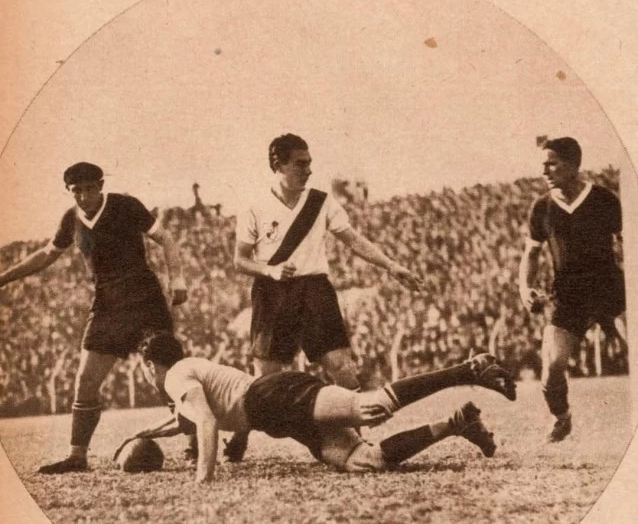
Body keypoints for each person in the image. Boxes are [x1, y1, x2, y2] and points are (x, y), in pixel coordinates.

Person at [228, 133, 423, 460]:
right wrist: (270, 270)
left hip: (314, 290)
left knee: (341, 366)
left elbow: (353, 240)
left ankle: (357, 441)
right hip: (271, 293)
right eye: (300, 164)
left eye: (309, 163)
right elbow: (240, 260)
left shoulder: (320, 201)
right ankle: (240, 436)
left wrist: (391, 266)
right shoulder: (254, 206)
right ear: (279, 165)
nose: (308, 170)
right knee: (266, 379)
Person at [123, 332, 516, 483]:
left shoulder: (175, 377)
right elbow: (184, 420)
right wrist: (142, 434)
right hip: (274, 413)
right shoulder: (186, 371)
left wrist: (203, 479)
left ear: (150, 364)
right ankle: (457, 423)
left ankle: (469, 369)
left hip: (273, 397)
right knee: (366, 461)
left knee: (370, 408)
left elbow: (206, 422)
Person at [0, 162, 189, 473]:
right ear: (69, 191)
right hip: (106, 304)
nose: (84, 196)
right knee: (85, 380)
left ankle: (195, 441)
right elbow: (47, 254)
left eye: (90, 188)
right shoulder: (71, 219)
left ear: (101, 186)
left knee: (164, 376)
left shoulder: (125, 205)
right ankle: (77, 456)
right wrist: (5, 277)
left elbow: (165, 237)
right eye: (77, 191)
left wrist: (177, 279)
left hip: (144, 298)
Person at [518, 137, 626, 442]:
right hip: (568, 294)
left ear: (573, 165)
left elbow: (627, 242)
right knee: (552, 366)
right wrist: (525, 288)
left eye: (551, 164)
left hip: (610, 287)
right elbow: (532, 253)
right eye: (543, 164)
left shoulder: (604, 199)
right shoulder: (542, 207)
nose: (544, 171)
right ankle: (561, 417)